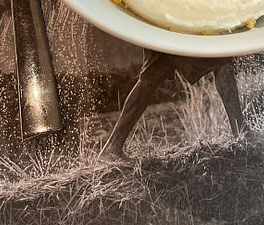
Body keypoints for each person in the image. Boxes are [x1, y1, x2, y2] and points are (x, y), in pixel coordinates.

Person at [102, 49, 245, 156]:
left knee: (151, 77)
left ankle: (112, 147)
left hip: (161, 26)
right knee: (221, 61)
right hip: (172, 26)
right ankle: (240, 132)